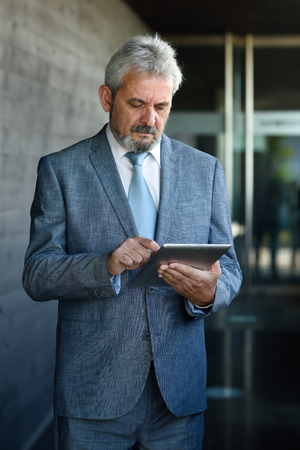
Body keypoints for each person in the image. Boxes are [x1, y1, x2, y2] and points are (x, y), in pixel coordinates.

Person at [23, 34, 242, 450]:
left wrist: (211, 291)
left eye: (161, 107)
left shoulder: (206, 171)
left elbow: (228, 267)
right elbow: (37, 273)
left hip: (178, 397)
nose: (150, 120)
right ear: (107, 97)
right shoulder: (61, 170)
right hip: (92, 396)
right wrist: (105, 264)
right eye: (137, 104)